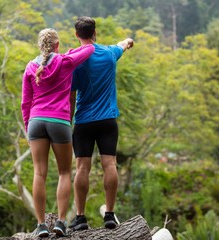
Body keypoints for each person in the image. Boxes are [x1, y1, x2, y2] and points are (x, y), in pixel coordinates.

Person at [21, 28, 94, 238]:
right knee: (64, 173)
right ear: (57, 45)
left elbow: (25, 102)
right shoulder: (65, 62)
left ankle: (41, 224)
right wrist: (69, 52)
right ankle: (61, 222)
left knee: (39, 174)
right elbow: (88, 49)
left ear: (39, 46)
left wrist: (28, 129)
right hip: (59, 121)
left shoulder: (30, 67)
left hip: (35, 121)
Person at [69, 16, 134, 231]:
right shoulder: (108, 54)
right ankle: (109, 214)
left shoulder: (74, 61)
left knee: (82, 168)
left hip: (84, 121)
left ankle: (80, 218)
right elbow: (121, 46)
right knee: (110, 164)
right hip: (107, 120)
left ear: (77, 35)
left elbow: (71, 93)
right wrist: (128, 40)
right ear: (94, 33)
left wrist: (69, 119)